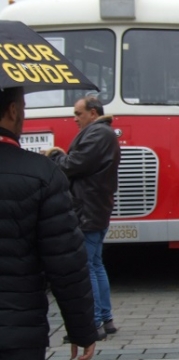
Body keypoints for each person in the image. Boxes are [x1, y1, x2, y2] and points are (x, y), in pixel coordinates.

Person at [0, 87, 97, 359]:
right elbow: (66, 263)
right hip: (18, 333)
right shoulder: (42, 173)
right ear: (13, 111)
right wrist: (82, 329)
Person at [44, 96, 121, 340]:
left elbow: (74, 165)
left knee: (86, 267)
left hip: (87, 210)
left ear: (93, 113)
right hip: (96, 208)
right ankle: (106, 319)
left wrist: (55, 156)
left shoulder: (97, 134)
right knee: (96, 264)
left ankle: (94, 322)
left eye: (78, 113)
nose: (75, 118)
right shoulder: (103, 133)